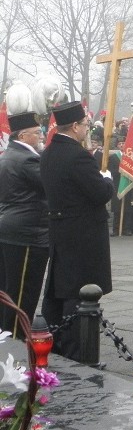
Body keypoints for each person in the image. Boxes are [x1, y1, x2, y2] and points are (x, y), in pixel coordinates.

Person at [40, 100, 114, 361]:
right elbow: (100, 193)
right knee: (80, 295)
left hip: (60, 231)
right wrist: (106, 178)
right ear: (74, 126)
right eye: (84, 125)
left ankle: (54, 345)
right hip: (83, 236)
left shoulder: (48, 153)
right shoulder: (79, 156)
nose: (86, 129)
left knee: (58, 292)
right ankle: (78, 353)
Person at [0, 84, 49, 334]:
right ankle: (17, 342)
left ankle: (6, 335)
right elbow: (50, 185)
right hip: (28, 232)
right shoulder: (28, 158)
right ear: (22, 136)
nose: (41, 135)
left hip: (9, 229)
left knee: (7, 290)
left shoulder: (6, 156)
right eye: (36, 132)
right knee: (23, 293)